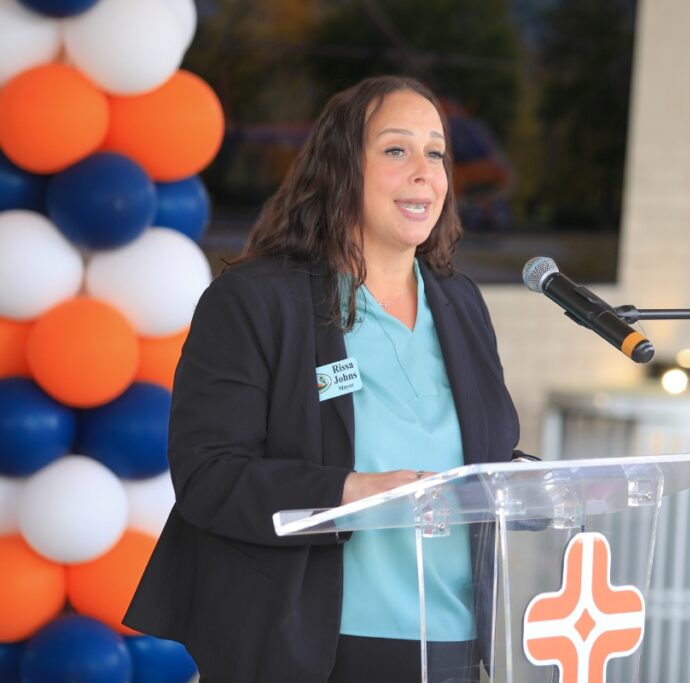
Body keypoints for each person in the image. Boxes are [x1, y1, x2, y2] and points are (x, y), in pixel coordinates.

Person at [124, 76, 522, 682]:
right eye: (396, 150)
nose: (424, 171)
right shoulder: (257, 301)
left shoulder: (461, 303)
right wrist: (351, 491)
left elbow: (477, 456)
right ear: (342, 168)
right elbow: (209, 476)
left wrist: (531, 483)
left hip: (457, 645)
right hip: (310, 648)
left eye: (436, 152)